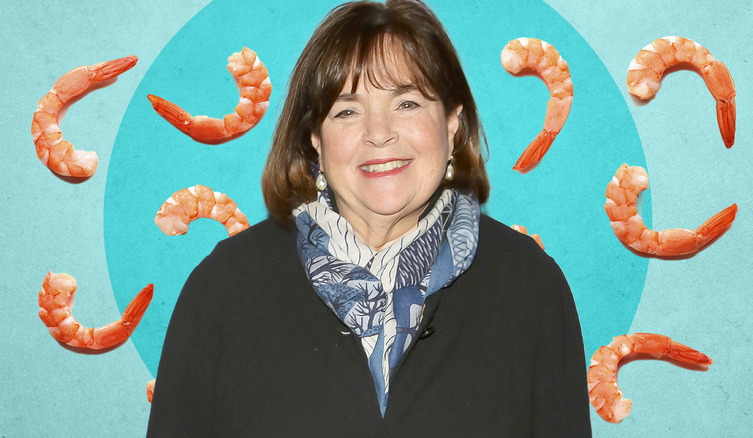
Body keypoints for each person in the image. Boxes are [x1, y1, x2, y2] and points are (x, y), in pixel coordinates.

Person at [147, 0, 592, 436]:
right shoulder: (226, 289)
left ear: (452, 123)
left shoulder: (530, 287)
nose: (379, 133)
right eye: (347, 111)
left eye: (407, 103)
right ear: (315, 139)